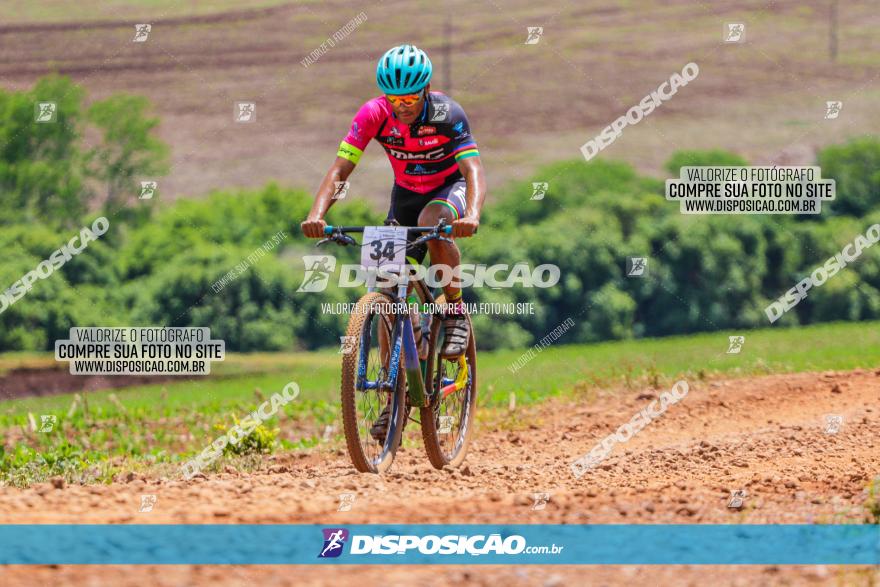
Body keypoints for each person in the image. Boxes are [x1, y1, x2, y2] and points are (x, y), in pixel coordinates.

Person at [302, 44, 486, 361]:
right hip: (405, 196)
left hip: (447, 188)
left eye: (411, 98)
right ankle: (393, 401)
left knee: (433, 219)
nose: (403, 106)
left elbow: (473, 169)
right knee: (387, 287)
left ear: (426, 89)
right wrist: (317, 215)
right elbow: (340, 169)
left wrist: (471, 214)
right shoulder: (373, 114)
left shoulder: (447, 112)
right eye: (395, 99)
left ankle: (454, 312)